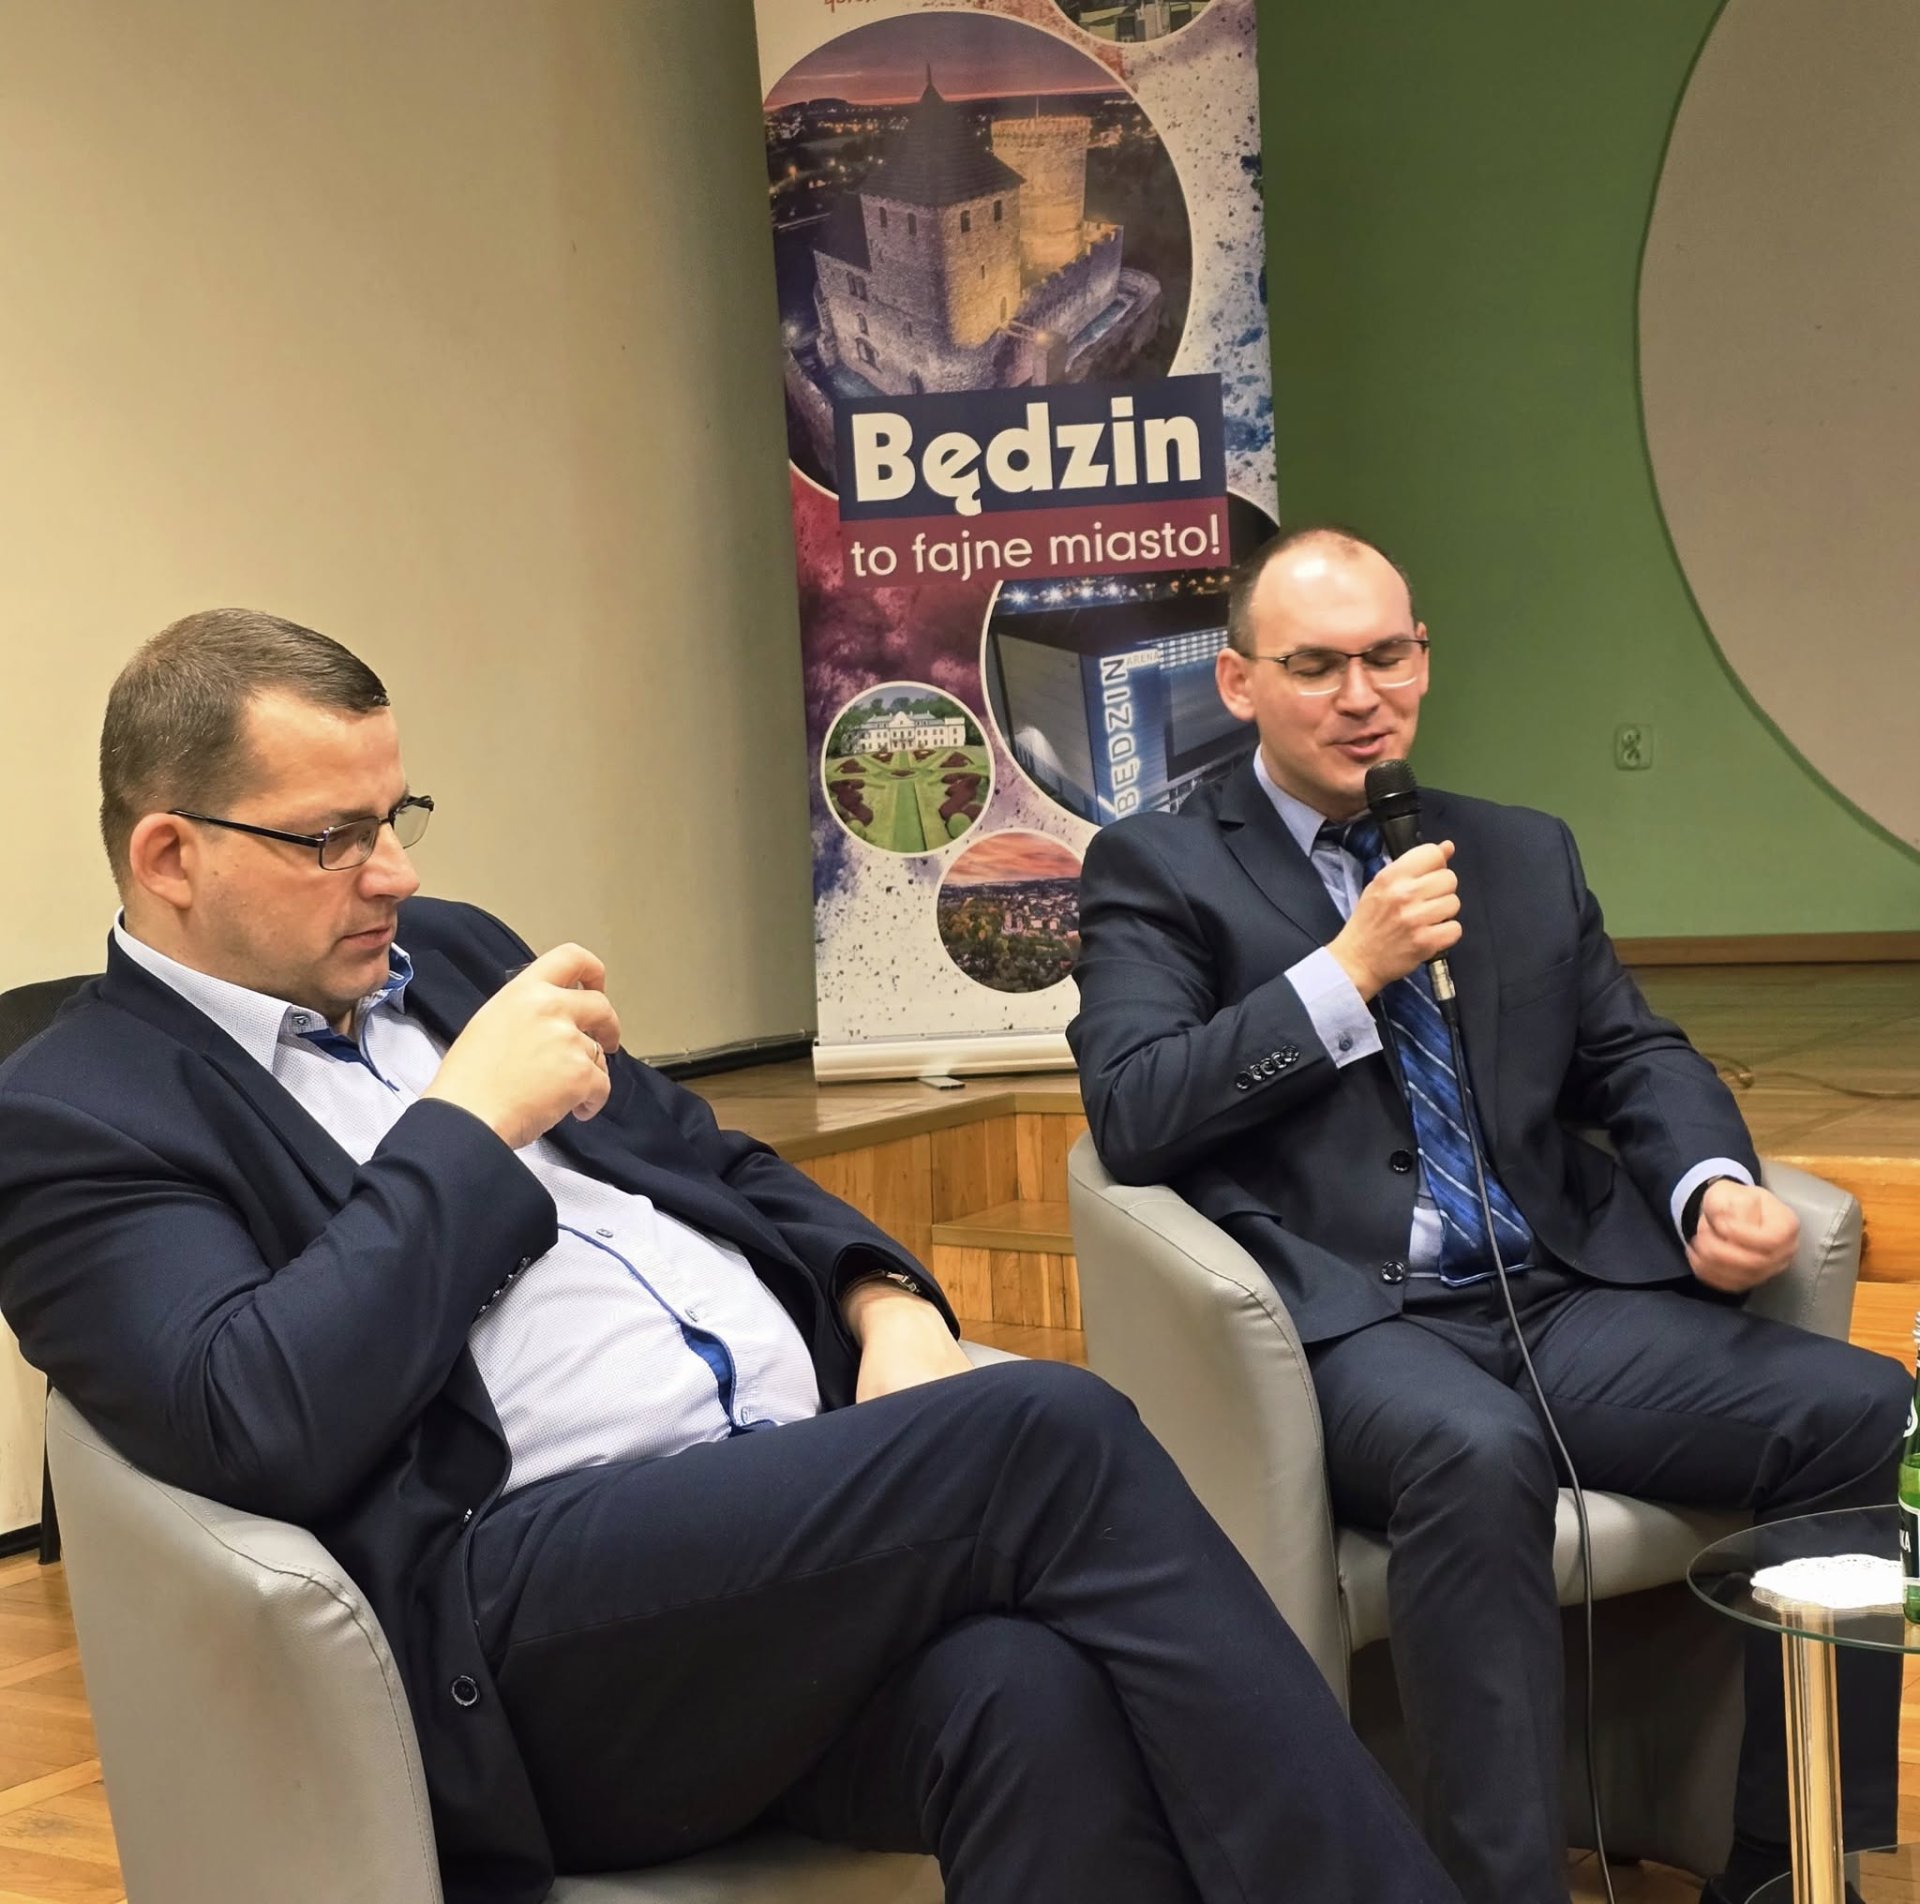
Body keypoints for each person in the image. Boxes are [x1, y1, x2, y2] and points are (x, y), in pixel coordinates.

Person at [0, 609, 1462, 1904]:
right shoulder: (74, 1113)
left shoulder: (450, 957)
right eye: (333, 837)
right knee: (1047, 1432)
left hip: (772, 1537)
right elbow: (256, 1415)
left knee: (1022, 1696)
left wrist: (888, 1305)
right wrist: (465, 1126)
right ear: (170, 855)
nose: (395, 872)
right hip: (518, 1636)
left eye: (398, 816)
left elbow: (718, 1163)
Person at [1068, 527, 1910, 1904]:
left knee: (1856, 1408)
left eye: (1387, 657)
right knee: (1477, 1449)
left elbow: (1632, 1055)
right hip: (1343, 1322)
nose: (1362, 696)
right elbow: (1135, 1106)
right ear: (1238, 683)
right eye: (1317, 666)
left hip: (1552, 1296)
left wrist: (1710, 1184)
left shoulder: (1517, 850)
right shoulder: (1156, 867)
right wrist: (1347, 971)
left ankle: (1781, 1861)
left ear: (1423, 659)